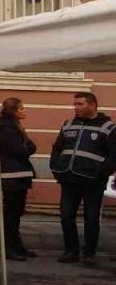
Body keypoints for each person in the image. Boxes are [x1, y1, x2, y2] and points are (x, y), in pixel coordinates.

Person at [49, 92, 116, 266]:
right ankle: (71, 252)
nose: (75, 107)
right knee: (66, 216)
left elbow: (114, 155)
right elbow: (57, 148)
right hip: (69, 179)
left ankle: (89, 253)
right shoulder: (68, 124)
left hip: (92, 181)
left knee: (91, 218)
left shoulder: (108, 127)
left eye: (80, 104)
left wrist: (101, 174)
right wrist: (56, 168)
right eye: (75, 104)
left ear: (92, 105)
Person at [0, 98, 38, 261]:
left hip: (19, 175)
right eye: (21, 108)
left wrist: (27, 145)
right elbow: (22, 150)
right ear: (13, 111)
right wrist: (27, 145)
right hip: (12, 175)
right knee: (11, 214)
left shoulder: (13, 126)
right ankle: (10, 248)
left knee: (16, 213)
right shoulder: (6, 128)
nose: (24, 110)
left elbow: (30, 147)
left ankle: (17, 246)